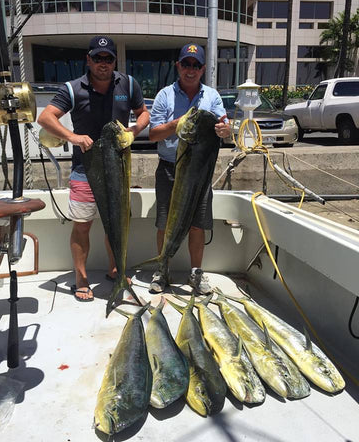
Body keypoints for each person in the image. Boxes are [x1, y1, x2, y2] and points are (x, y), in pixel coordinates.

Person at [38, 36, 149, 301]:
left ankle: (115, 270)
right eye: (97, 58)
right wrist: (73, 137)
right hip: (84, 171)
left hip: (118, 171)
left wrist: (135, 131)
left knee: (116, 226)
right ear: (88, 59)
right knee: (82, 227)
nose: (103, 63)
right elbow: (45, 117)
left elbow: (143, 113)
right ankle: (81, 277)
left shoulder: (128, 83)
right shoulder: (73, 88)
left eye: (108, 58)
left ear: (114, 61)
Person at [148, 43, 231, 295]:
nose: (190, 69)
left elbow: (224, 125)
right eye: (186, 64)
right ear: (178, 66)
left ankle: (196, 273)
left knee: (198, 225)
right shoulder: (164, 95)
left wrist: (227, 130)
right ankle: (162, 270)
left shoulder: (212, 96)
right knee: (165, 223)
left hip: (199, 172)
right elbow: (153, 134)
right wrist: (177, 124)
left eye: (196, 65)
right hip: (169, 169)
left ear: (203, 69)